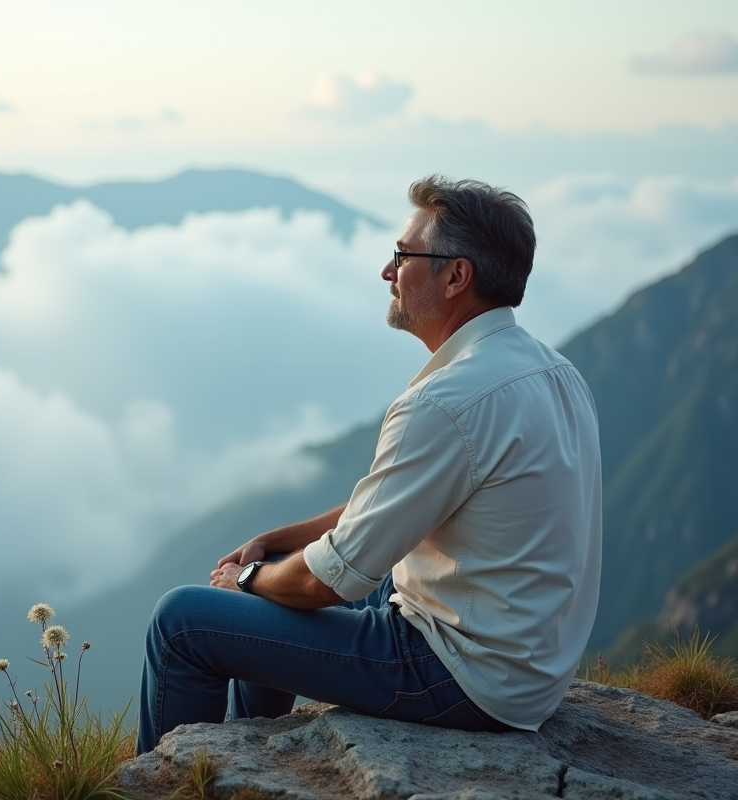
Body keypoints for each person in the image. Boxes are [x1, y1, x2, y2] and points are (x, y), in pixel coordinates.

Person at [136, 176, 603, 755]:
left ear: (457, 276)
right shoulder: (553, 372)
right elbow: (389, 509)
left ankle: (170, 780)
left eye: (405, 256)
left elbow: (328, 580)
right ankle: (244, 754)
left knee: (182, 622)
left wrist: (248, 579)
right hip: (526, 663)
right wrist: (274, 543)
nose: (388, 271)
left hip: (459, 676)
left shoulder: (446, 403)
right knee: (279, 568)